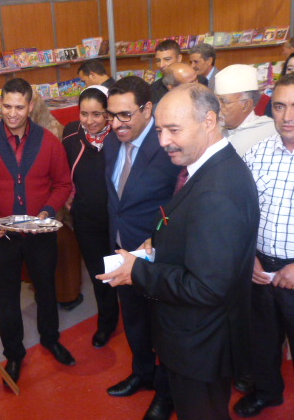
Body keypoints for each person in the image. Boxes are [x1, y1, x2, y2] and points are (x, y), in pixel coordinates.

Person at [98, 83, 259, 420]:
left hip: (201, 344)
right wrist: (158, 245)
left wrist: (138, 270)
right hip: (195, 338)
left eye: (174, 130)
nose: (163, 141)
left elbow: (206, 287)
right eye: (159, 131)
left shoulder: (217, 190)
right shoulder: (210, 170)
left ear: (209, 121)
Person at [0, 77, 75, 386]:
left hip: (41, 233)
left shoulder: (49, 141)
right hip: (2, 235)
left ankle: (51, 339)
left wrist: (47, 212)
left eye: (19, 107)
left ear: (31, 106)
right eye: (7, 106)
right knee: (6, 298)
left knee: (47, 289)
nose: (12, 114)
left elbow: (63, 184)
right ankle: (13, 354)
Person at [103, 75, 180, 420]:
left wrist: (158, 243)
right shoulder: (111, 143)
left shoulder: (167, 146)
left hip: (156, 256)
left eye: (125, 115)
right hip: (121, 250)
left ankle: (166, 393)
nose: (116, 124)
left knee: (163, 328)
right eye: (111, 115)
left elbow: (179, 203)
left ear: (147, 109)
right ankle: (142, 373)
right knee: (133, 319)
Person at [234, 72, 294, 418]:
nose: (288, 116)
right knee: (261, 340)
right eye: (279, 106)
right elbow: (239, 213)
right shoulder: (256, 154)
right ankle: (267, 393)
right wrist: (248, 258)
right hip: (259, 268)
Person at [62, 85, 119, 348]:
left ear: (108, 113)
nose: (89, 121)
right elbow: (62, 172)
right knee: (99, 273)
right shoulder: (70, 135)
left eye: (97, 114)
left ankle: (139, 320)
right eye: (84, 113)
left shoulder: (120, 135)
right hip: (86, 219)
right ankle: (107, 322)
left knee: (128, 270)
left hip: (119, 219)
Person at [29, 91, 84, 311]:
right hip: (35, 204)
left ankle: (66, 294)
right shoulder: (21, 131)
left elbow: (65, 175)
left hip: (56, 203)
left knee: (61, 250)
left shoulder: (55, 132)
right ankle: (45, 290)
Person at [215, 64, 276, 156]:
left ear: (246, 105)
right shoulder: (213, 131)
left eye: (224, 102)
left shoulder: (269, 132)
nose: (217, 107)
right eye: (216, 101)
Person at [151, 40, 207, 104]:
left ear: (179, 58)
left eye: (167, 59)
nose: (161, 65)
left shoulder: (201, 81)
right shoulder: (153, 89)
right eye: (158, 60)